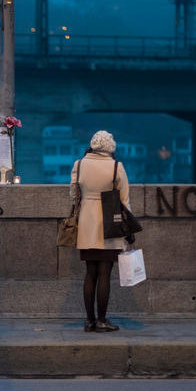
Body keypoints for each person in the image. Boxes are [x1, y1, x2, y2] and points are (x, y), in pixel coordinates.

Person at [69, 130, 134, 332]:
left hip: (87, 223)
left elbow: (73, 195)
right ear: (110, 146)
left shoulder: (79, 165)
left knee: (90, 273)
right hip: (110, 223)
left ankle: (89, 321)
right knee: (104, 273)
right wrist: (128, 229)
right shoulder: (116, 167)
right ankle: (102, 320)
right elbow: (125, 200)